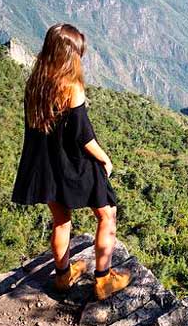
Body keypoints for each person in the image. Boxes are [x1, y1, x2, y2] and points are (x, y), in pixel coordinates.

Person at [11, 23, 130, 300]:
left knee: (61, 221)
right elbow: (83, 136)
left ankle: (63, 276)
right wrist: (104, 159)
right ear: (70, 55)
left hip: (47, 166)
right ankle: (103, 281)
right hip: (74, 165)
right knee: (107, 214)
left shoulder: (35, 83)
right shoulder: (71, 87)